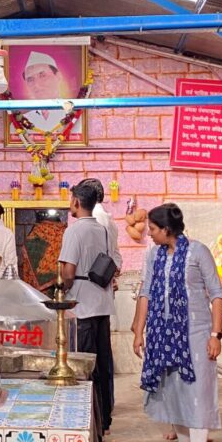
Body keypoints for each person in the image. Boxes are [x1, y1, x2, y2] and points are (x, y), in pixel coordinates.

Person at [132, 203, 222, 442]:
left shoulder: (198, 252)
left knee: (197, 394)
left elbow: (217, 294)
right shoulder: (153, 256)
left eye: (152, 229)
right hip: (162, 335)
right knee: (173, 392)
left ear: (166, 230)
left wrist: (215, 334)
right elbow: (146, 292)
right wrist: (139, 330)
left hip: (196, 333)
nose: (149, 234)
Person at [59, 181, 116, 436]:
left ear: (76, 202)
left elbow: (69, 272)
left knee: (83, 364)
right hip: (102, 302)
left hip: (82, 304)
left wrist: (61, 284)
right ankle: (103, 419)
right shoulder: (102, 230)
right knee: (102, 363)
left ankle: (86, 421)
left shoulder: (73, 231)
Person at [82, 177, 123, 413]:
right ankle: (105, 405)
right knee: (102, 352)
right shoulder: (107, 219)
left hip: (92, 293)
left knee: (94, 355)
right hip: (101, 292)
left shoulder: (96, 219)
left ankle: (99, 407)